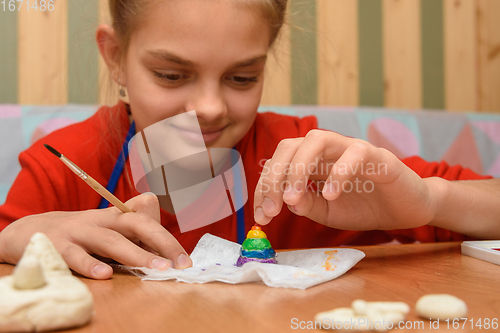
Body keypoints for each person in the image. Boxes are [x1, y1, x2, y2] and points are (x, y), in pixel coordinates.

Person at [0, 0, 498, 280]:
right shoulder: (60, 168)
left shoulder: (311, 160)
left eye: (241, 78)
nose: (212, 108)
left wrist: (428, 200)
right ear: (114, 58)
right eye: (172, 75)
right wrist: (11, 243)